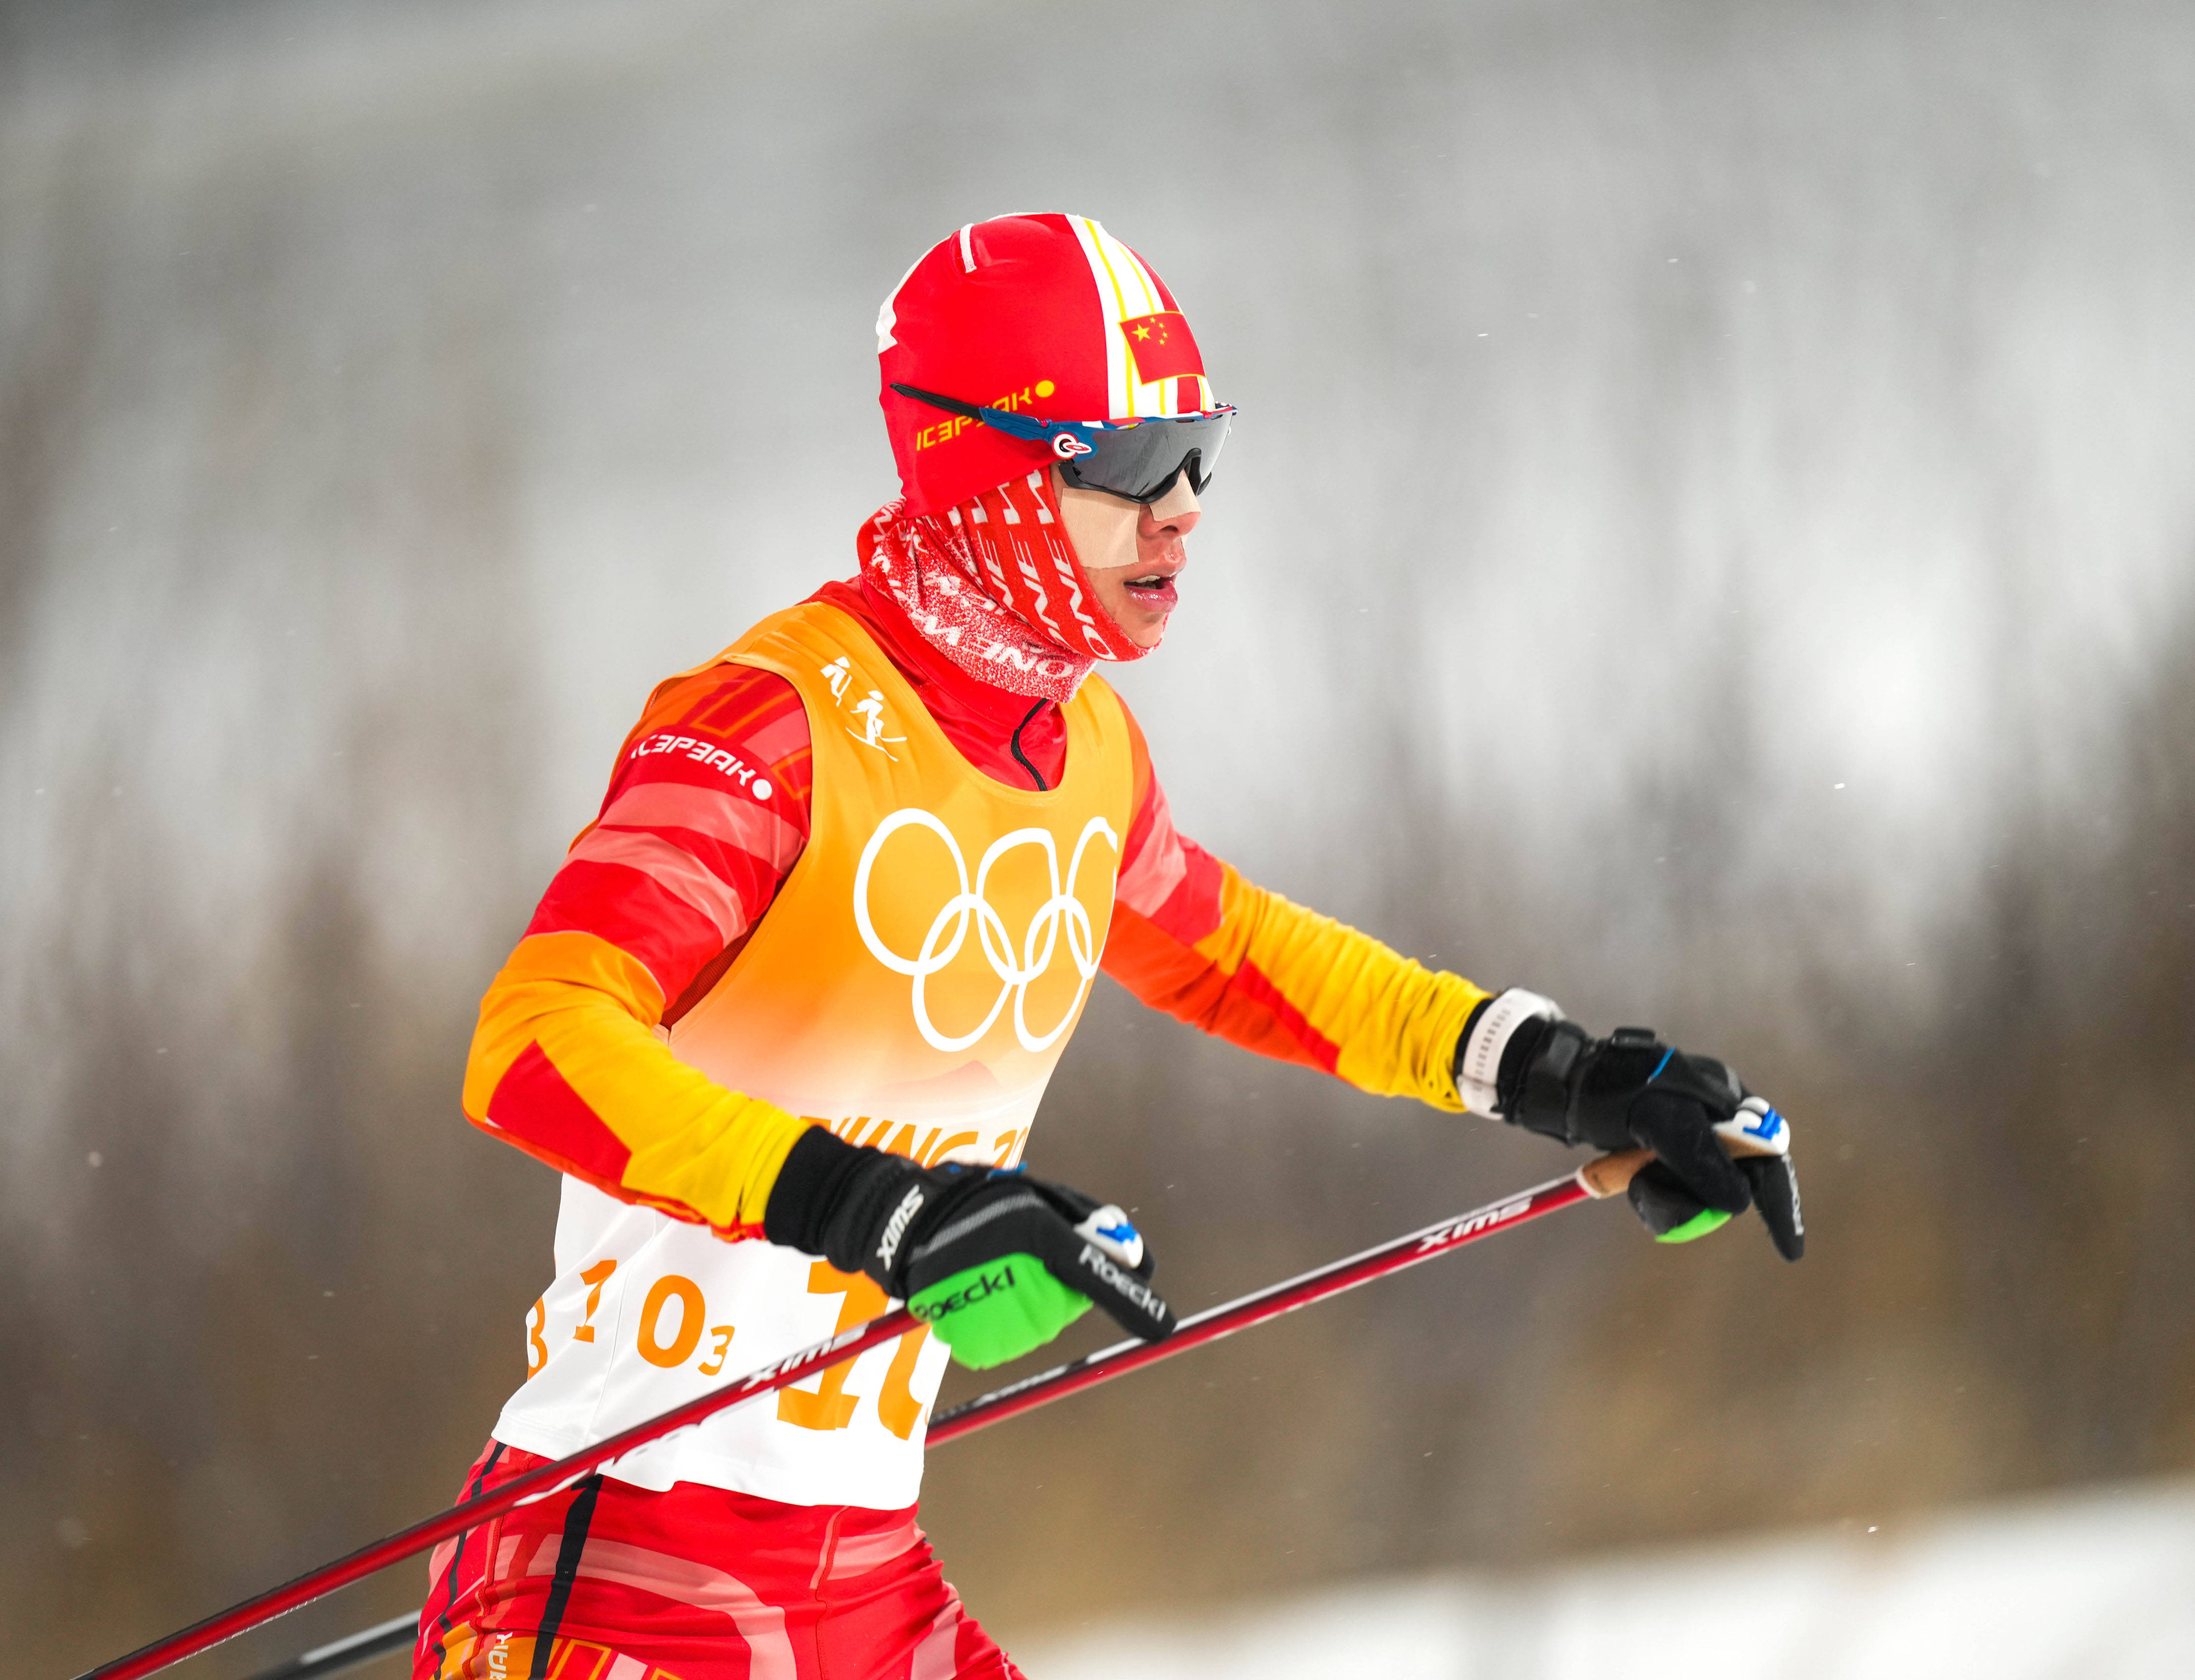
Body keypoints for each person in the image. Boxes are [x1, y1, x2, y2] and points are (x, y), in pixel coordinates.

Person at [415, 213, 1803, 1680]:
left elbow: (1233, 950)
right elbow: (536, 1040)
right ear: (987, 466)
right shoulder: (771, 724)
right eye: (1132, 463)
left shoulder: (1080, 749)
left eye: (1201, 449)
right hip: (624, 1572)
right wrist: (870, 1207)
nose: (1188, 505)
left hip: (863, 1575)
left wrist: (1562, 1076)